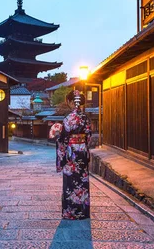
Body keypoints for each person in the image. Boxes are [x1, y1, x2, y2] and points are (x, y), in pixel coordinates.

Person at [55, 89, 92, 220]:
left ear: (71, 102)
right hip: (81, 151)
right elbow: (89, 137)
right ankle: (83, 212)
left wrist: (58, 139)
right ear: (80, 102)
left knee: (70, 182)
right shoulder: (86, 118)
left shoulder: (67, 119)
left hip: (71, 153)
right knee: (82, 181)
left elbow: (64, 139)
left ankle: (70, 212)